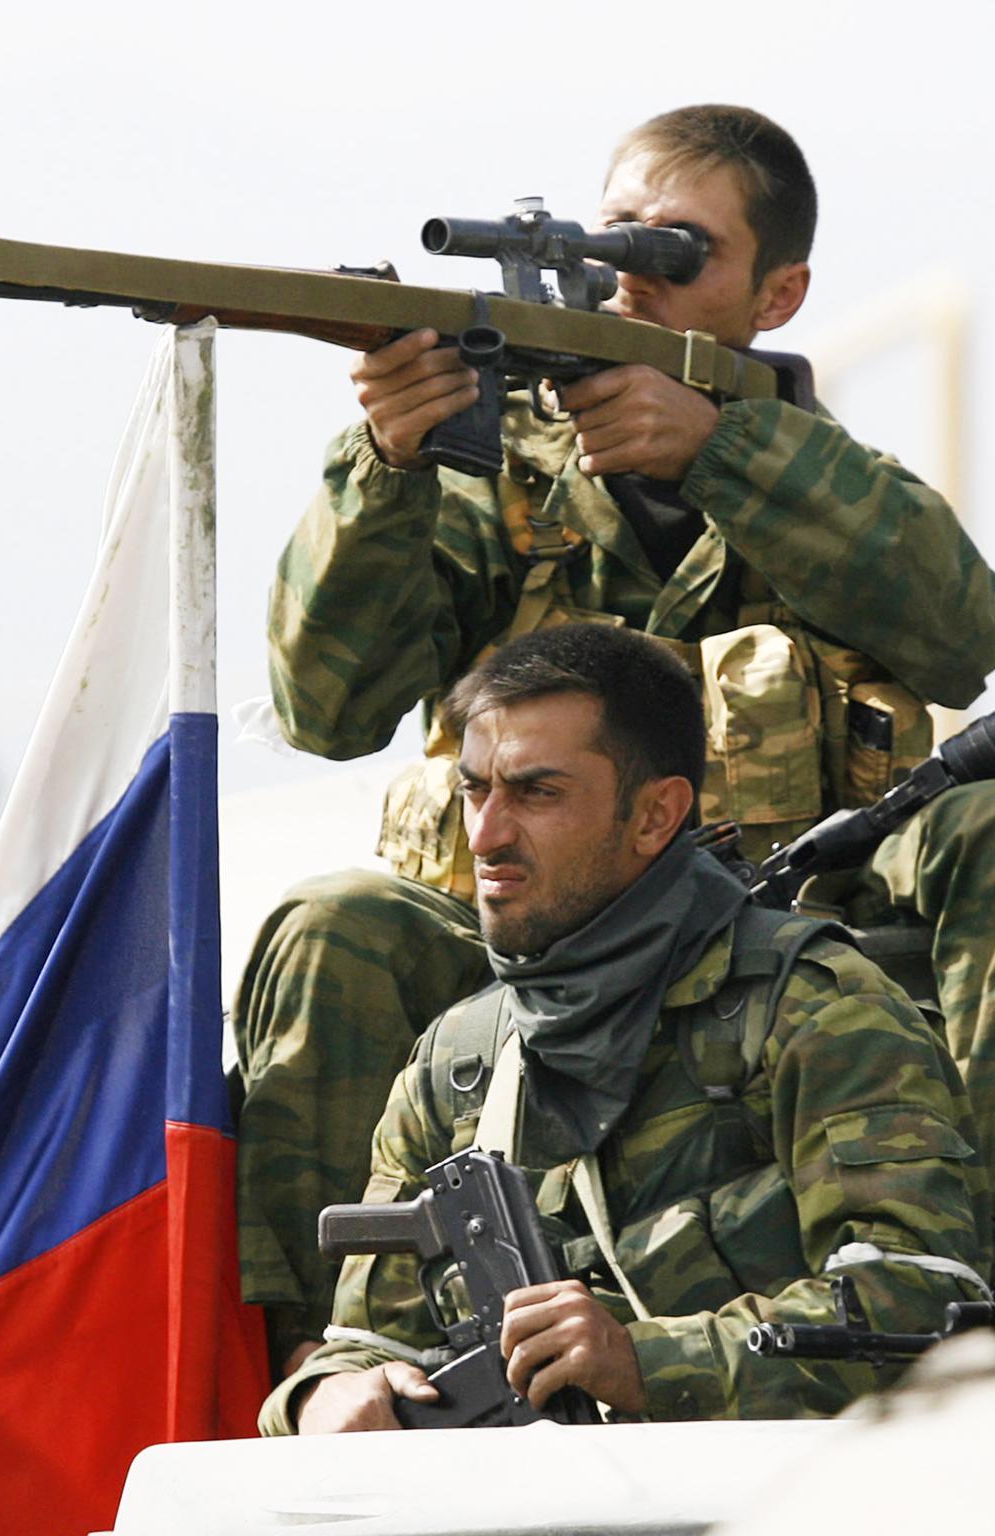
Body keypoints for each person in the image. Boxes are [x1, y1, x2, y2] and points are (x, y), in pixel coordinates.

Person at [237, 103, 995, 1378]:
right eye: (612, 240)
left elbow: (957, 636)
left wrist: (723, 451)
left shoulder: (818, 475)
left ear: (777, 291)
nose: (627, 276)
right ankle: (327, 1379)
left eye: (677, 251)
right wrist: (384, 462)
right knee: (328, 931)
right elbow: (325, 709)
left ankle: (960, 1299)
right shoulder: (499, 482)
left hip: (776, 958)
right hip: (520, 971)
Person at [267, 624, 989, 1434]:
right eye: (475, 790)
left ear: (654, 817)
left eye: (538, 793)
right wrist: (322, 1394)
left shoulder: (812, 1008)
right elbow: (365, 1340)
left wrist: (646, 1362)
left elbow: (927, 1306)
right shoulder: (457, 1064)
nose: (487, 836)